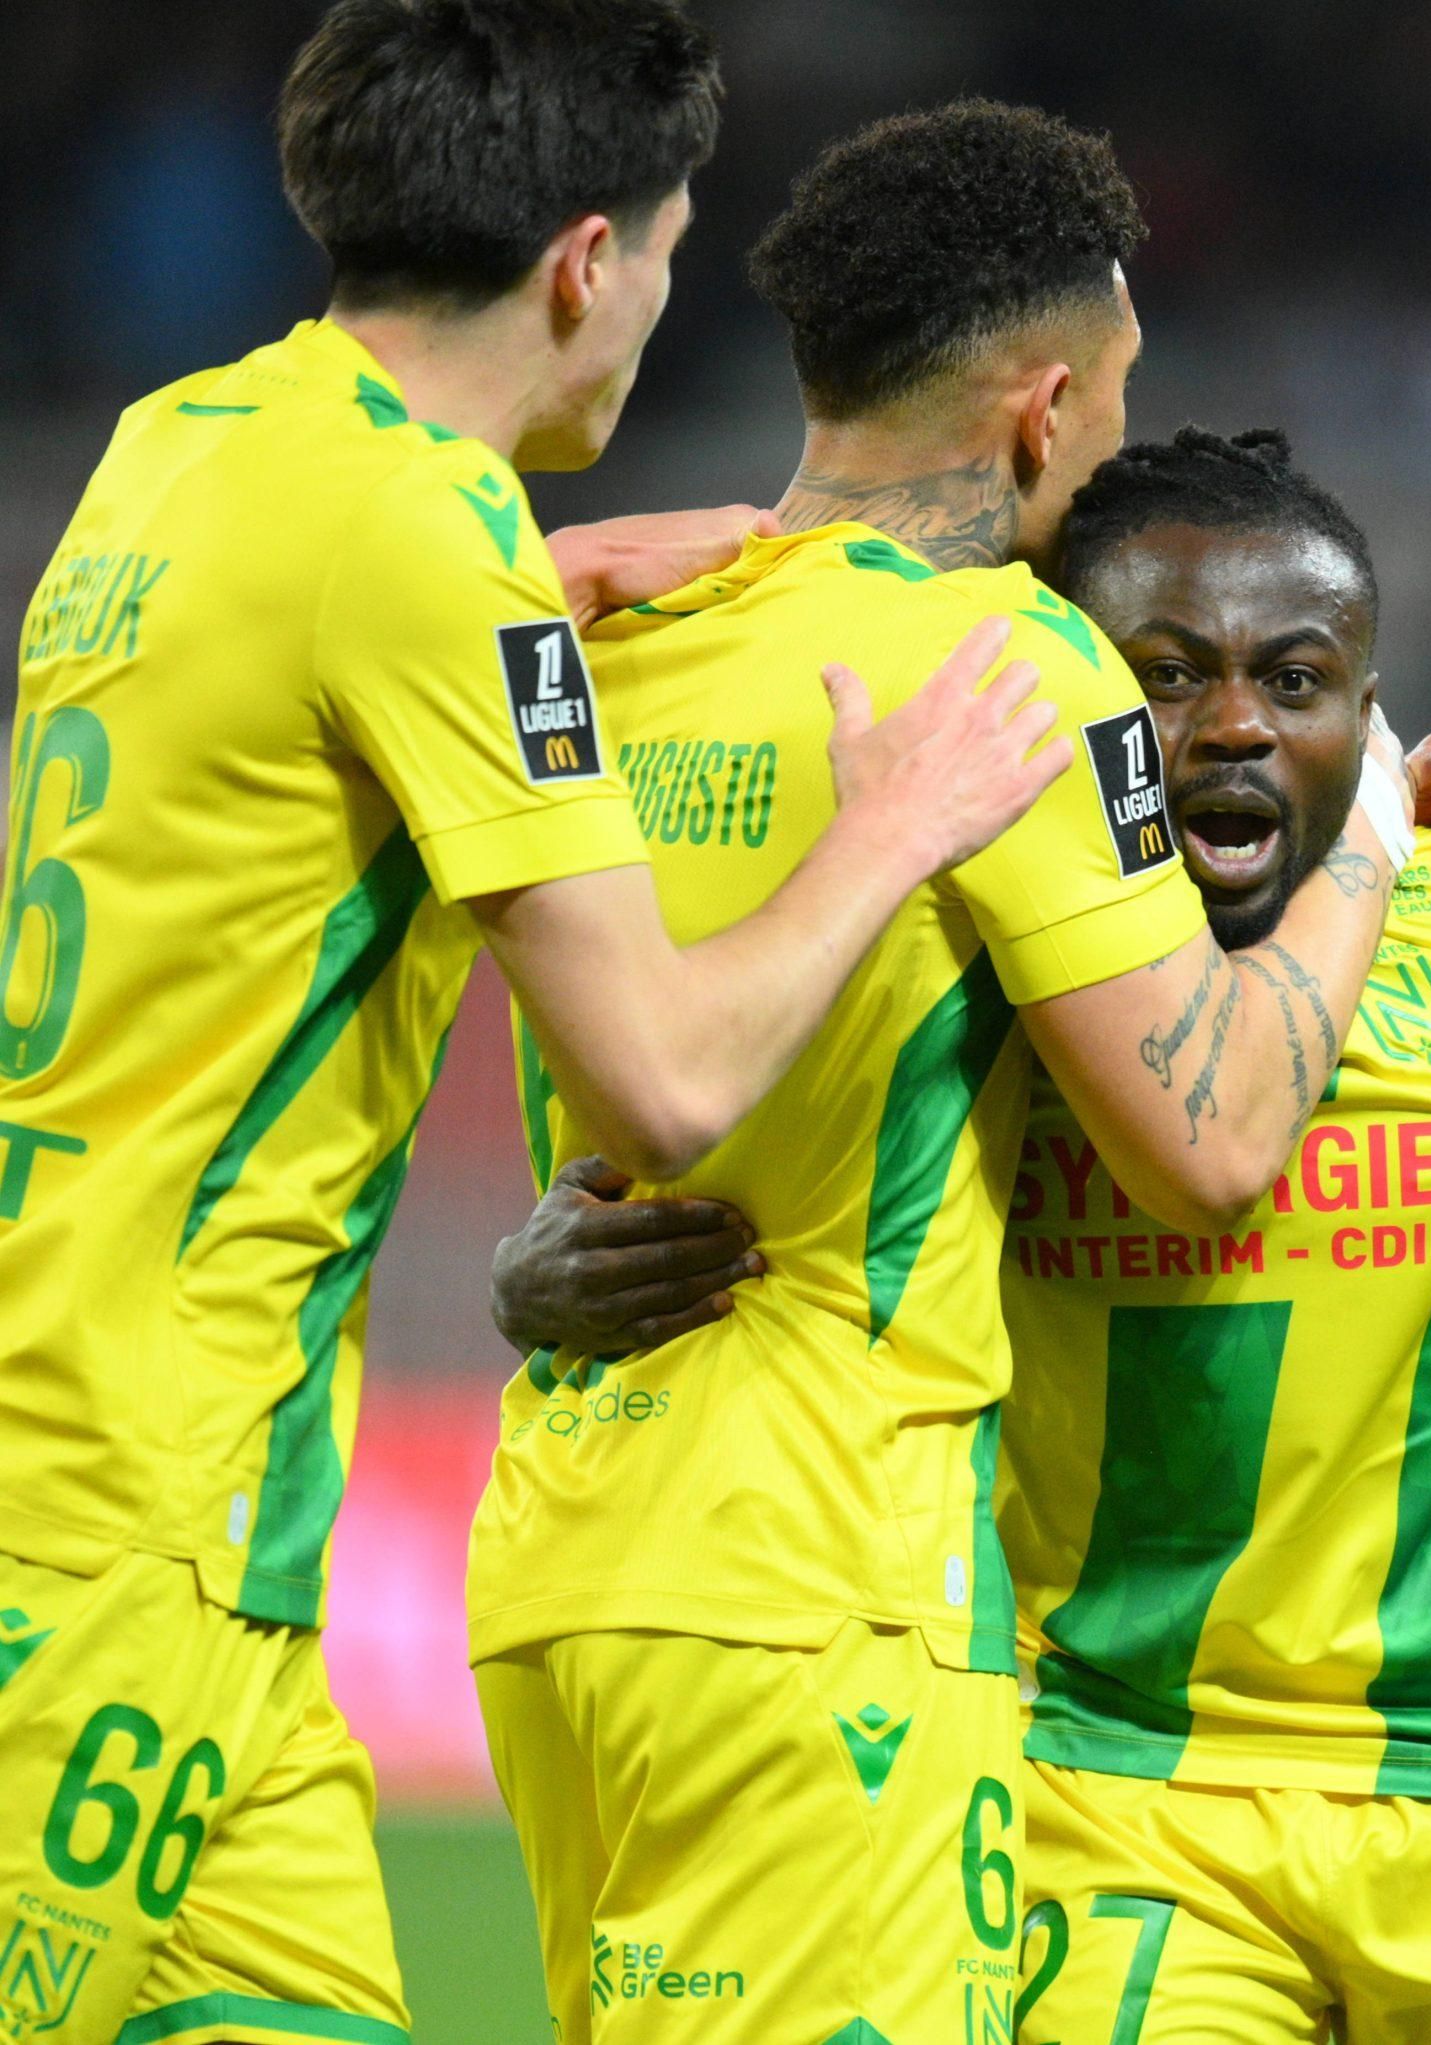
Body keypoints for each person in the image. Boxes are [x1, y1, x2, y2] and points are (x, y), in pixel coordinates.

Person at [502, 429, 1431, 2045]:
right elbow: (731, 1196)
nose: (1230, 724)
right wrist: (529, 1278)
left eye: (1296, 682)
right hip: (1109, 1814)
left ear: (1367, 720)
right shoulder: (991, 995)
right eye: (1160, 679)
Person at [0, 7, 1067, 2042]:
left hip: (181, 1523)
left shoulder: (186, 443)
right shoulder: (424, 540)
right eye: (665, 257)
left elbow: (280, 709)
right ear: (590, 262)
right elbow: (665, 1083)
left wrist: (538, 592)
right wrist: (894, 828)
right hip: (107, 1526)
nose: (659, 309)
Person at [459, 103, 1431, 2045]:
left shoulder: (603, 627)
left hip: (559, 1560)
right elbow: (1213, 1140)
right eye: (1118, 403)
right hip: (823, 1596)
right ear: (1043, 410)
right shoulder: (1007, 677)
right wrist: (1380, 816)